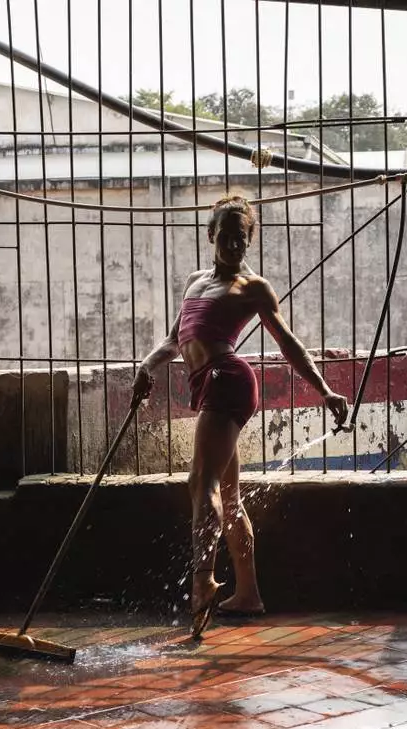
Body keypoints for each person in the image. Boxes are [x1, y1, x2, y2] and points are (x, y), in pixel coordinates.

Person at [131, 195, 349, 640]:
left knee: (200, 484)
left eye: (241, 238)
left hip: (227, 379)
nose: (233, 244)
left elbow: (288, 344)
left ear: (249, 241)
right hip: (209, 383)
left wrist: (324, 390)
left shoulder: (253, 288)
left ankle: (203, 580)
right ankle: (248, 594)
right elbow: (176, 339)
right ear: (211, 235)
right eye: (226, 236)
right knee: (227, 494)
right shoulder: (195, 282)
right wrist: (145, 367)